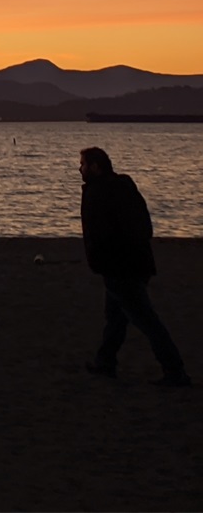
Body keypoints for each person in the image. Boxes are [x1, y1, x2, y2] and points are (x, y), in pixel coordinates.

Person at [79, 147, 188, 386]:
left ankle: (175, 370)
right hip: (132, 263)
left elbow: (104, 233)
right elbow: (143, 225)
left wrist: (103, 258)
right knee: (116, 317)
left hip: (120, 267)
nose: (80, 169)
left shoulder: (101, 192)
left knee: (145, 319)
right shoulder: (123, 187)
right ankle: (105, 362)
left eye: (84, 164)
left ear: (96, 166)